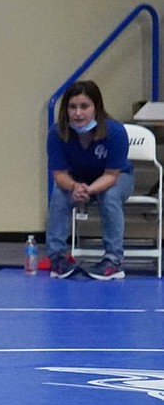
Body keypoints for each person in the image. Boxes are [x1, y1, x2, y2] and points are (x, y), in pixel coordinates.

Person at [45, 80, 135, 280]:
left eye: (84, 106)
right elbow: (59, 174)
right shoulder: (57, 133)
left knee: (110, 196)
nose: (78, 113)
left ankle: (113, 260)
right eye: (72, 107)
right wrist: (75, 187)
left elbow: (112, 175)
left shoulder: (115, 132)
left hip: (117, 178)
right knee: (60, 194)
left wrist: (88, 190)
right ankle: (58, 256)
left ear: (96, 108)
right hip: (77, 180)